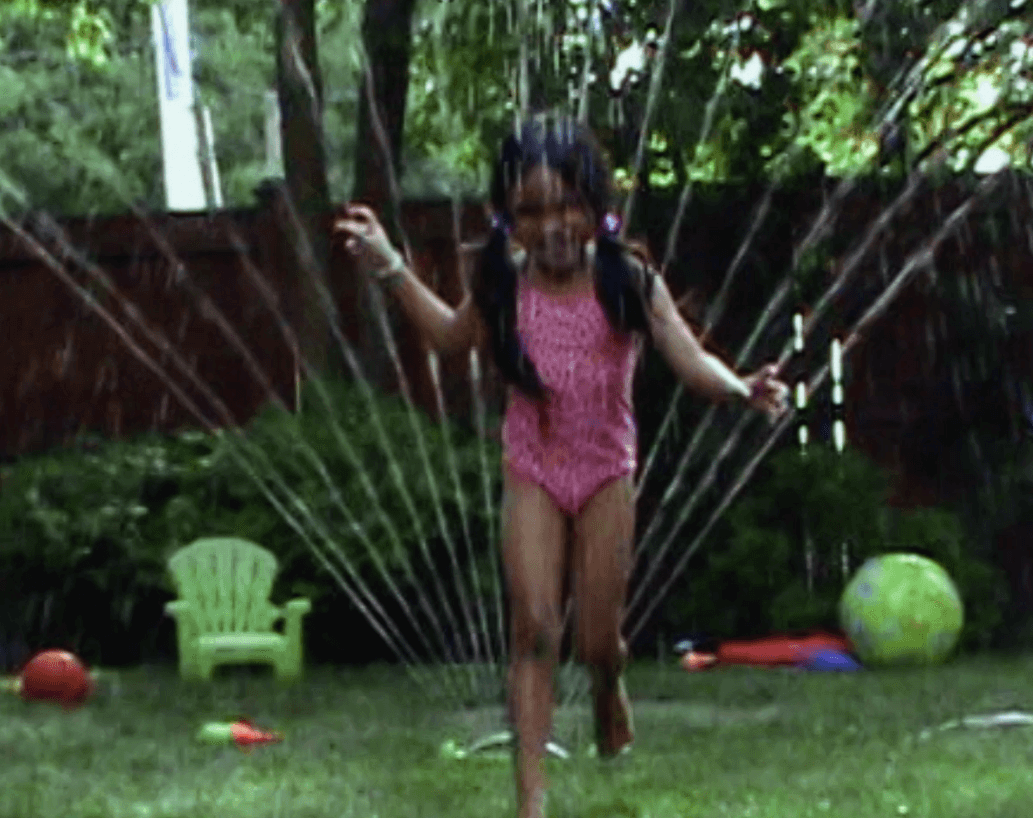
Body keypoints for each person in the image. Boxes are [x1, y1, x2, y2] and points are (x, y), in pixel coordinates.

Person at [333, 114, 789, 818]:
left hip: (606, 471)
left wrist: (738, 388)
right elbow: (450, 339)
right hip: (533, 471)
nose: (551, 225)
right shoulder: (501, 285)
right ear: (505, 219)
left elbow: (686, 356)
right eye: (531, 211)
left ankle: (609, 684)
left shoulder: (626, 279)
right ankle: (530, 805)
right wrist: (390, 266)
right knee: (535, 629)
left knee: (594, 639)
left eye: (566, 206)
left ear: (595, 206)